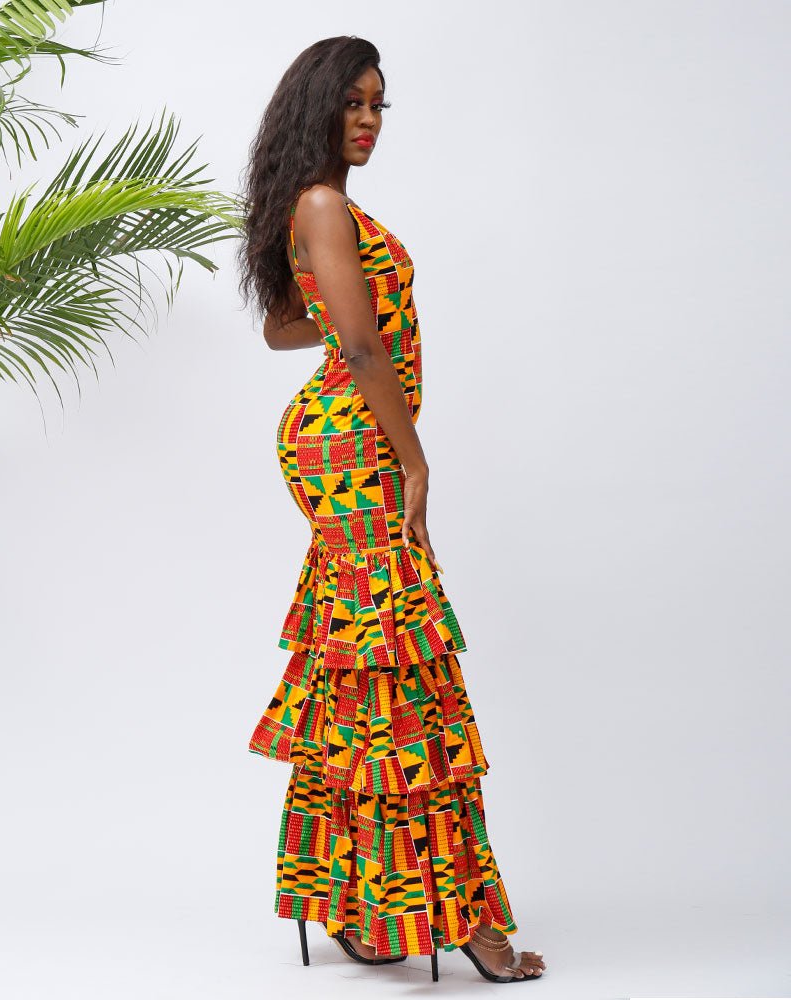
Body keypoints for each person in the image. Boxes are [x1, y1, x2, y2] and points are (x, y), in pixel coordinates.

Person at [236, 36, 546, 984]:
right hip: (356, 444)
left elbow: (284, 325)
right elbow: (365, 353)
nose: (369, 120)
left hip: (340, 437)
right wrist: (415, 460)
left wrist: (349, 324)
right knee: (404, 679)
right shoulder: (323, 205)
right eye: (353, 103)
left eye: (379, 104)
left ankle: (366, 903)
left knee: (368, 676)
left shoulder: (317, 206)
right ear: (318, 108)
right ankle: (464, 920)